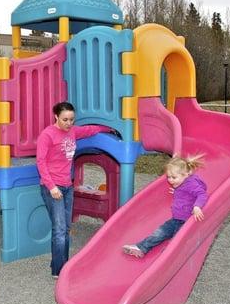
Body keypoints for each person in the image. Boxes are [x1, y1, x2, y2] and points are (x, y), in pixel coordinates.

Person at [36, 101, 113, 278]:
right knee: (60, 229)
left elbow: (91, 130)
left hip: (67, 187)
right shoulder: (47, 135)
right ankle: (58, 270)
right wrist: (52, 187)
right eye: (65, 119)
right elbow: (40, 163)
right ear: (56, 116)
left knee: (66, 227)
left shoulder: (73, 131)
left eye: (71, 119)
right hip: (52, 188)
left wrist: (110, 129)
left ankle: (63, 263)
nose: (69, 123)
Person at [122, 154, 208, 258]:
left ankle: (168, 257)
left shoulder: (191, 184)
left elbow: (202, 194)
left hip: (186, 221)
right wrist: (177, 191)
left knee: (177, 241)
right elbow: (186, 193)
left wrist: (197, 206)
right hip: (176, 219)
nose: (170, 180)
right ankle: (141, 248)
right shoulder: (181, 184)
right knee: (159, 233)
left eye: (174, 177)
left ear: (186, 174)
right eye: (168, 177)